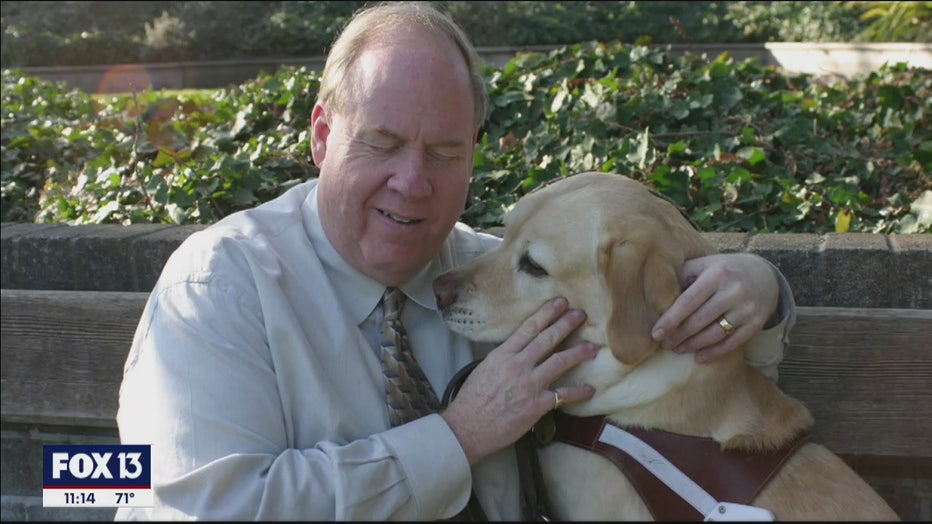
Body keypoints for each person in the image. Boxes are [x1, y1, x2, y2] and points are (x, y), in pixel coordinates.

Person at [115, 1, 795, 520]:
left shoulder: (497, 277)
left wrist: (755, 294)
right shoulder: (218, 287)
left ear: (473, 151)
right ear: (323, 136)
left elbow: (678, 382)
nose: (412, 183)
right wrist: (458, 438)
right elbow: (198, 509)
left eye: (444, 152)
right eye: (381, 143)